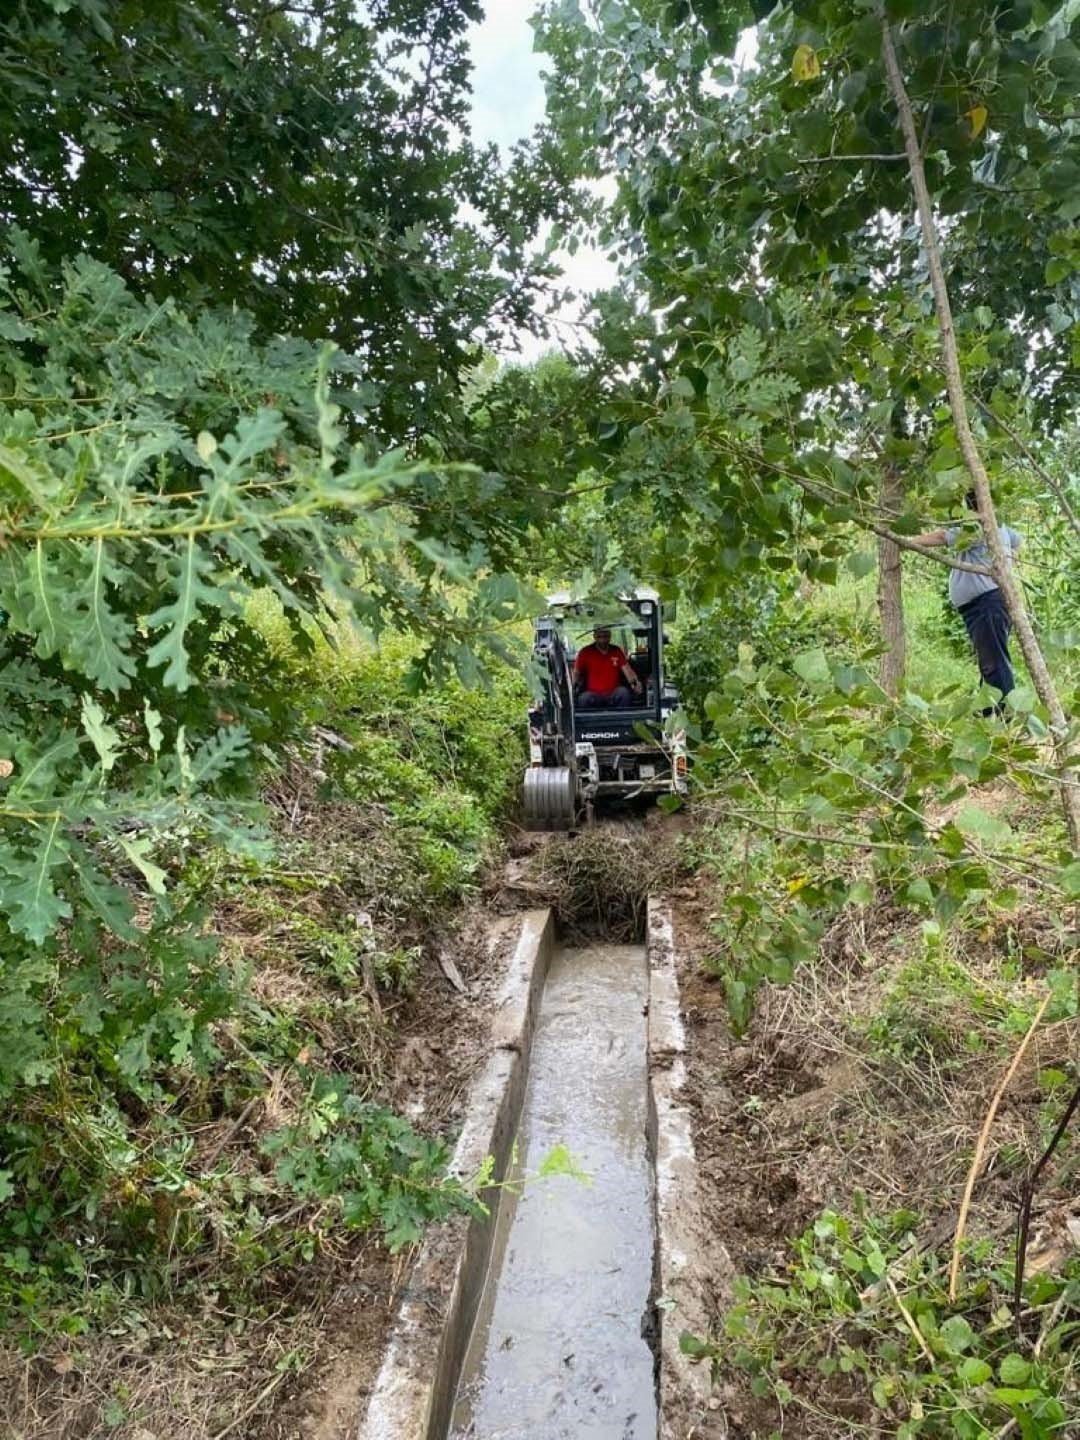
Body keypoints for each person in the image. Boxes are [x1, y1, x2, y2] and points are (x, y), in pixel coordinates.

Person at [913, 491, 1022, 714]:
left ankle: (1006, 718)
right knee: (990, 660)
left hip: (987, 604)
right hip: (987, 603)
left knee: (994, 663)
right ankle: (988, 712)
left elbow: (942, 537)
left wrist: (905, 542)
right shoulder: (998, 527)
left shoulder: (977, 528)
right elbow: (1018, 541)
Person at [573, 625, 644, 709]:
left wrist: (635, 683)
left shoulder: (616, 651)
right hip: (594, 696)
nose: (603, 639)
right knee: (584, 699)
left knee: (624, 693)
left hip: (613, 694)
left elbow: (627, 671)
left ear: (610, 636)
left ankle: (622, 720)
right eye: (600, 636)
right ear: (594, 636)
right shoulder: (585, 652)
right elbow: (576, 673)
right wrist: (572, 688)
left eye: (605, 636)